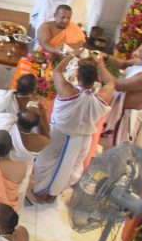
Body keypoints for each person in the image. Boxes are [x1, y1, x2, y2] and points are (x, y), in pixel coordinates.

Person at [32, 55, 114, 203]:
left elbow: (57, 72)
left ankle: (40, 192)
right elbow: (111, 82)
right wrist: (100, 63)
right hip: (82, 139)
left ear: (77, 76)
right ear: (96, 80)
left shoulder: (68, 91)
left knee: (46, 162)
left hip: (59, 135)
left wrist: (70, 56)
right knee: (70, 168)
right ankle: (54, 195)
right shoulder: (102, 96)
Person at [102, 42, 142, 148]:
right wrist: (106, 57)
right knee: (104, 143)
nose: (138, 52)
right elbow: (123, 64)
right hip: (116, 108)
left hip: (127, 116)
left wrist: (99, 64)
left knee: (116, 150)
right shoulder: (141, 62)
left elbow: (117, 85)